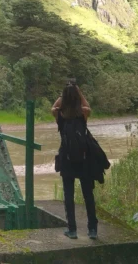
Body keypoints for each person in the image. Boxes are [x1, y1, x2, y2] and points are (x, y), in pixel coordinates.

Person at [52, 82, 98, 240]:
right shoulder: (84, 112)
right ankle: (92, 230)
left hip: (66, 158)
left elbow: (53, 106)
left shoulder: (59, 114)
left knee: (68, 195)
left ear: (63, 98)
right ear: (78, 97)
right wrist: (78, 93)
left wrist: (64, 95)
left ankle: (72, 230)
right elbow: (87, 105)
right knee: (88, 195)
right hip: (84, 159)